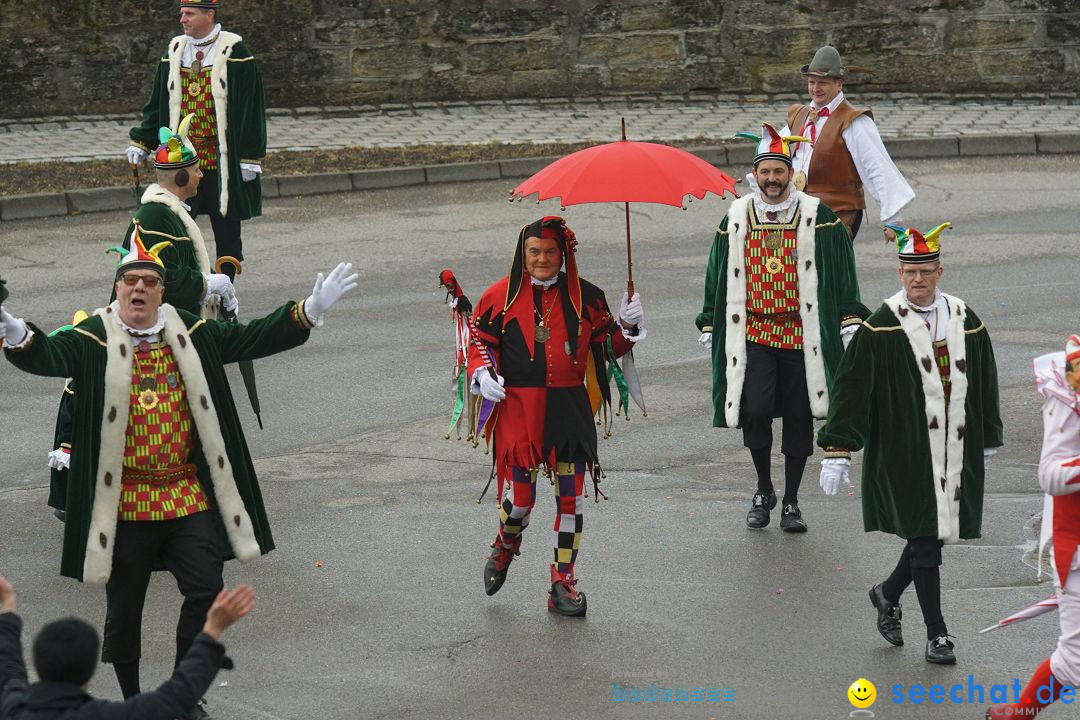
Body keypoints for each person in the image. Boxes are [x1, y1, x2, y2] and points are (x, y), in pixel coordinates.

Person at [0, 236, 356, 716]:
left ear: (162, 293)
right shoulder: (92, 339)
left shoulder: (190, 332)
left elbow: (250, 337)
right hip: (123, 503)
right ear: (118, 289)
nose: (140, 288)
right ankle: (133, 701)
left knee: (207, 588)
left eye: (150, 282)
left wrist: (308, 312)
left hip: (184, 495)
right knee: (124, 614)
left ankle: (182, 695)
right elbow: (48, 356)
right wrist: (19, 333)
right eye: (131, 281)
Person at [817, 222, 1002, 665]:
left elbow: (986, 380)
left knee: (932, 537)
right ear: (899, 274)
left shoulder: (964, 318)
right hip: (905, 451)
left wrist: (987, 438)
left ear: (940, 271)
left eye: (925, 271)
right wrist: (837, 448)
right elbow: (851, 387)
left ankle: (887, 593)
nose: (917, 279)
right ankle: (938, 634)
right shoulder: (880, 325)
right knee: (924, 537)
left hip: (954, 449)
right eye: (909, 271)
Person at [48, 115, 238, 522]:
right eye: (198, 169)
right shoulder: (156, 216)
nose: (203, 174)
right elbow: (160, 278)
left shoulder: (169, 213)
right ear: (182, 176)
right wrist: (209, 284)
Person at [470, 216, 646, 616]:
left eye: (551, 252)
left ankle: (561, 583)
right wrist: (482, 374)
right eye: (534, 252)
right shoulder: (499, 297)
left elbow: (607, 352)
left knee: (571, 502)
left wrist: (629, 326)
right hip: (519, 411)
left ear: (563, 254)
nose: (542, 259)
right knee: (521, 502)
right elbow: (477, 349)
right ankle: (505, 543)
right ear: (523, 253)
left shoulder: (588, 298)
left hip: (570, 411)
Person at [696, 122, 868, 533]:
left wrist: (849, 315)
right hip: (754, 332)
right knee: (753, 408)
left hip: (802, 334)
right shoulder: (737, 215)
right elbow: (717, 271)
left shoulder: (817, 216)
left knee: (798, 417)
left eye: (779, 171)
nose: (772, 180)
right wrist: (709, 318)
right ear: (754, 174)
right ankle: (763, 488)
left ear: (792, 173)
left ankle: (791, 501)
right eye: (765, 172)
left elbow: (842, 269)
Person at [126, 0, 266, 282]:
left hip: (221, 162)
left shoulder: (235, 52)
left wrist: (250, 157)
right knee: (176, 222)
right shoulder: (175, 51)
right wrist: (142, 140)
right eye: (182, 13)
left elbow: (251, 108)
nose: (182, 19)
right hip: (183, 160)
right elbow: (158, 102)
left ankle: (226, 290)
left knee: (226, 230)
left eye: (189, 13)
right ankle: (188, 284)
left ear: (209, 14)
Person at [0, 574, 254, 719]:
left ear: (38, 662)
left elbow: (7, 665)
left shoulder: (13, 707)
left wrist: (8, 608)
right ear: (88, 676)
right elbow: (178, 695)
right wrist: (212, 630)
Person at [986, 336, 1080, 718]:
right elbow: (1051, 476)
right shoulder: (1067, 402)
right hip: (1077, 548)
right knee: (1075, 660)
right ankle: (1022, 712)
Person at [776, 45, 915, 241]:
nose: (815, 89)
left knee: (827, 270)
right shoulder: (800, 115)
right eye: (811, 82)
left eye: (822, 83)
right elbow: (773, 151)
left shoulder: (854, 121)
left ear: (839, 84)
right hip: (796, 210)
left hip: (838, 213)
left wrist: (893, 219)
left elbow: (876, 166)